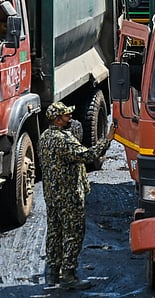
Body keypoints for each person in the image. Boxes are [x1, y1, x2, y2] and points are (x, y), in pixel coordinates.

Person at [39, 101, 114, 290]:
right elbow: (88, 156)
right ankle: (68, 275)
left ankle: (52, 273)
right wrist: (107, 139)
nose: (70, 117)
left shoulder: (44, 137)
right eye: (66, 115)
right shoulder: (64, 139)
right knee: (73, 234)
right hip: (69, 195)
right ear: (57, 120)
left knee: (55, 233)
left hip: (52, 196)